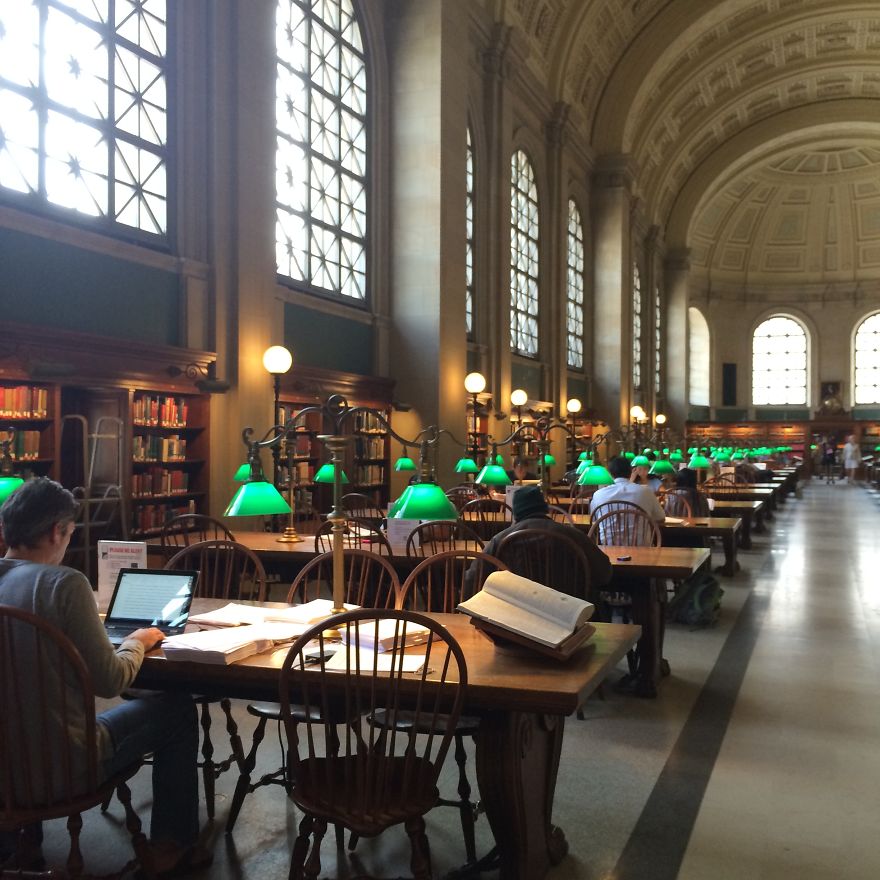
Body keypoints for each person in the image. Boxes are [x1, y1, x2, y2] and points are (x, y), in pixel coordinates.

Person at [0, 479, 207, 875]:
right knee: (176, 709)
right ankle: (173, 845)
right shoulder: (64, 584)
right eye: (70, 533)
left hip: (7, 771)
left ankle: (19, 845)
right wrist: (136, 640)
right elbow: (112, 682)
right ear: (56, 532)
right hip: (61, 769)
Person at [465, 484, 612, 595]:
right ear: (545, 508)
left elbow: (473, 580)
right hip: (569, 617)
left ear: (516, 512)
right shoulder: (572, 535)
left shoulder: (501, 539)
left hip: (516, 619)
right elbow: (604, 574)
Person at [589, 456, 665, 522]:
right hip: (641, 539)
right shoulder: (646, 491)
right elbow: (660, 517)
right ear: (630, 472)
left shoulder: (598, 494)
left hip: (607, 539)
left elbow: (594, 519)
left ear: (610, 474)